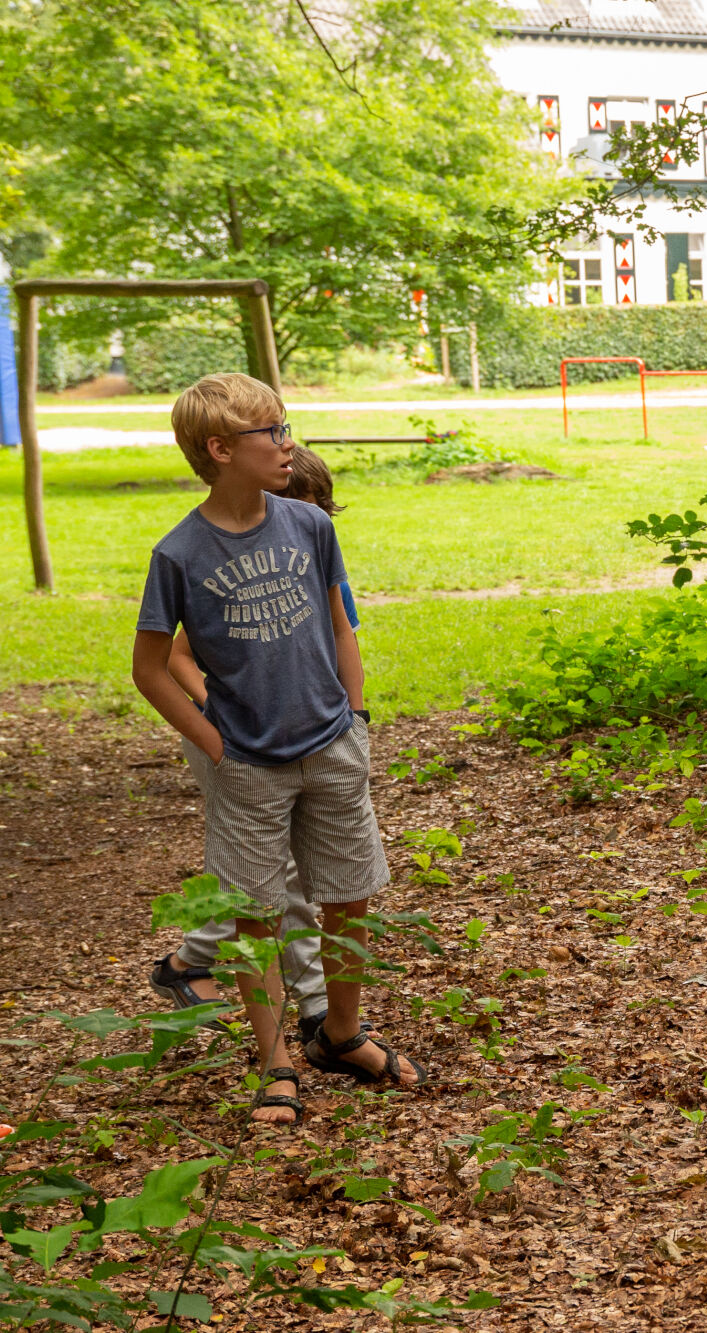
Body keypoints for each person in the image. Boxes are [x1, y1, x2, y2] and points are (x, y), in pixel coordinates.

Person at [132, 374, 425, 1126]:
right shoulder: (179, 554)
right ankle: (275, 1065)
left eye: (286, 426)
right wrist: (215, 744)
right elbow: (149, 665)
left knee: (348, 893)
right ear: (221, 449)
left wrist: (355, 718)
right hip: (249, 767)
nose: (288, 441)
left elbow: (339, 626)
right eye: (274, 431)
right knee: (256, 912)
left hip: (331, 745)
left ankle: (341, 1033)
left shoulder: (309, 525)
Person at [147, 446, 359, 1048]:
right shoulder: (199, 556)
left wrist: (353, 716)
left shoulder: (312, 559)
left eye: (313, 511)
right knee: (272, 880)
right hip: (235, 736)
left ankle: (187, 962)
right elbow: (177, 657)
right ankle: (315, 1005)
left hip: (310, 735)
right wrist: (215, 718)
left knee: (278, 876)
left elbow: (335, 643)